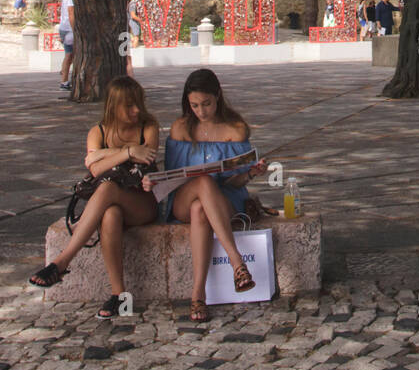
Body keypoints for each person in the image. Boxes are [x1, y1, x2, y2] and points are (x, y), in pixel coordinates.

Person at [28, 77, 159, 317]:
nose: (136, 110)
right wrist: (128, 151)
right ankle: (119, 295)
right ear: (113, 105)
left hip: (142, 203)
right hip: (112, 205)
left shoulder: (148, 127)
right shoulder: (97, 132)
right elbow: (95, 169)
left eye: (138, 103)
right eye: (129, 105)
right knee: (109, 214)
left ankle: (63, 261)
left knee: (108, 188)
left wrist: (102, 155)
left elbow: (144, 158)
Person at [151, 68, 266, 322]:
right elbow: (173, 177)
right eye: (194, 105)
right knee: (201, 182)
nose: (201, 111)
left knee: (200, 210)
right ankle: (237, 262)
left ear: (218, 97)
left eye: (206, 104)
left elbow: (235, 182)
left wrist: (250, 174)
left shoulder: (235, 129)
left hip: (223, 199)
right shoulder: (181, 128)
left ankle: (198, 296)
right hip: (184, 196)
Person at [58, 0, 74, 92]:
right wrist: (75, 30)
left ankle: (64, 72)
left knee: (71, 54)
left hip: (65, 27)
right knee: (70, 54)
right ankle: (64, 80)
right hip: (69, 28)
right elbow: (71, 11)